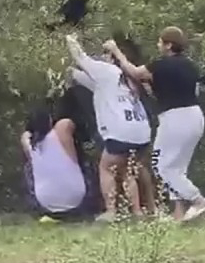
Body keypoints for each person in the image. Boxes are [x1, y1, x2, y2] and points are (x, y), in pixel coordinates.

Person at [103, 26, 205, 222]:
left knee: (160, 166)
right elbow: (167, 92)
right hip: (195, 116)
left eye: (161, 42)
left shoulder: (160, 64)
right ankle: (178, 214)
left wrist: (116, 52)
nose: (158, 45)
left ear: (169, 45)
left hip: (174, 119)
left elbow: (134, 72)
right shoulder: (191, 66)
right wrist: (149, 86)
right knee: (177, 169)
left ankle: (198, 200)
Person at [65, 33, 154, 222]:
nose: (103, 57)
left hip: (120, 132)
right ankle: (137, 212)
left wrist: (70, 39)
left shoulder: (107, 71)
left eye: (105, 54)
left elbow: (81, 58)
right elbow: (87, 80)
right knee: (127, 171)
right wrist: (70, 72)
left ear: (111, 57)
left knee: (106, 168)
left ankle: (111, 211)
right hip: (141, 132)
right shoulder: (127, 79)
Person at [20, 107, 87, 221]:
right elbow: (67, 123)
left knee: (29, 167)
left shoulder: (28, 142)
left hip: (46, 202)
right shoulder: (61, 131)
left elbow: (25, 135)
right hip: (75, 197)